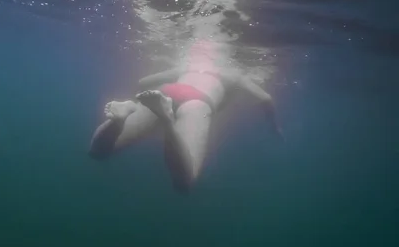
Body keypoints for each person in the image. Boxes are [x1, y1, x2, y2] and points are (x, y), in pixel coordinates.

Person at [88, 40, 283, 194]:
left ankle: (120, 118)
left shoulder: (186, 67)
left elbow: (143, 82)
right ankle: (167, 121)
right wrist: (274, 126)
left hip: (166, 91)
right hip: (198, 100)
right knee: (184, 183)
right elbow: (266, 98)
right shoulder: (232, 73)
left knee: (98, 154)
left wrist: (139, 97)